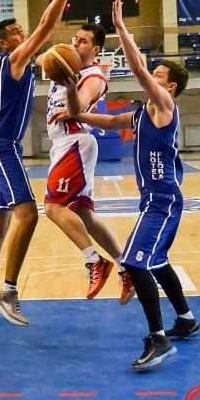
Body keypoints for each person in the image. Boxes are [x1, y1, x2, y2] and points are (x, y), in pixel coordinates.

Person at [70, 0, 200, 371]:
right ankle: (187, 320)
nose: (151, 77)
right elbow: (111, 121)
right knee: (155, 263)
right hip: (153, 201)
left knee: (134, 261)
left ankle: (158, 339)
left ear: (170, 86)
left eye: (159, 76)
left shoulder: (165, 106)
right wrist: (76, 114)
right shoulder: (144, 112)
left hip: (163, 199)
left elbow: (140, 70)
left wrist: (122, 28)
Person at [0, 0, 89, 326]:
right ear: (6, 43)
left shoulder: (15, 64)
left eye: (22, 31)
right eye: (18, 33)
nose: (24, 35)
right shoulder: (12, 60)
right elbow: (46, 28)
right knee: (28, 215)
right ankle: (9, 291)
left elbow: (47, 41)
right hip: (2, 147)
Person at [38, 23, 133, 303]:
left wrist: (69, 87)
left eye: (83, 41)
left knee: (53, 208)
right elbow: (37, 58)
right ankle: (126, 268)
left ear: (96, 49)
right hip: (64, 144)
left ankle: (94, 261)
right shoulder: (66, 66)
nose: (76, 44)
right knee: (85, 215)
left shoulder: (93, 76)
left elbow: (78, 106)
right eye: (75, 39)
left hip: (75, 141)